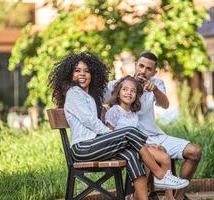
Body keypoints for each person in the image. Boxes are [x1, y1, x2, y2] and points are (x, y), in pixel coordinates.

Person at [48, 52, 189, 200]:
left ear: (92, 74)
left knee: (132, 154)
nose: (82, 74)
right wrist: (112, 134)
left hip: (96, 145)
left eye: (86, 71)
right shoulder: (74, 93)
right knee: (129, 131)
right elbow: (90, 121)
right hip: (83, 148)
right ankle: (160, 175)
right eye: (77, 71)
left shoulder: (89, 95)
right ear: (70, 74)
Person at [105, 52, 202, 200]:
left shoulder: (156, 84)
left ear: (154, 72)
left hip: (155, 136)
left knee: (195, 151)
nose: (143, 71)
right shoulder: (120, 84)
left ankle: (177, 197)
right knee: (154, 153)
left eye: (148, 69)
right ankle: (140, 195)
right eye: (141, 66)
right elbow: (94, 95)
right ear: (136, 64)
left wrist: (155, 90)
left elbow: (165, 105)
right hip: (134, 141)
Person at [105, 75, 179, 200]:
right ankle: (138, 195)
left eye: (133, 91)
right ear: (118, 93)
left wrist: (150, 144)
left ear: (136, 96)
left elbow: (137, 136)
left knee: (164, 155)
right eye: (125, 90)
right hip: (122, 149)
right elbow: (108, 135)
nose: (129, 93)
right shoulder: (114, 111)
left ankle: (168, 195)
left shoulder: (133, 115)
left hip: (137, 148)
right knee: (153, 157)